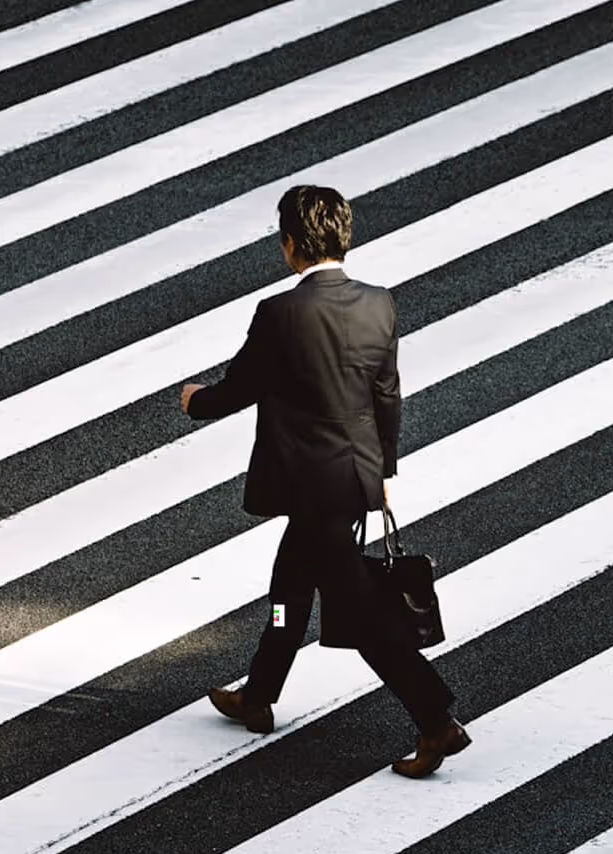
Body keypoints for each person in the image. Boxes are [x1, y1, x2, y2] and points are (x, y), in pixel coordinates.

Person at [180, 184, 470, 778]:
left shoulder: (281, 313)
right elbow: (386, 395)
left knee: (360, 618)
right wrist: (381, 470)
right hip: (351, 480)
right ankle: (258, 693)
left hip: (309, 487)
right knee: (289, 593)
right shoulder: (379, 304)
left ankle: (436, 720)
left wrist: (193, 401)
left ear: (290, 246)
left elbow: (239, 389)